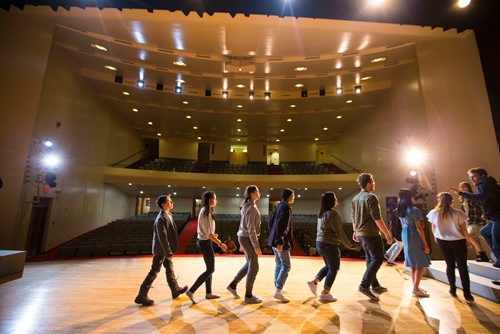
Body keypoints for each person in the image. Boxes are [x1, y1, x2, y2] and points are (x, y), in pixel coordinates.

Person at [134, 195, 188, 306]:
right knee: (154, 271)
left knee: (169, 269)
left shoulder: (168, 215)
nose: (172, 202)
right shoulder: (161, 218)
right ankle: (141, 295)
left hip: (164, 249)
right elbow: (162, 237)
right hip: (161, 250)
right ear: (163, 205)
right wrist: (168, 252)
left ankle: (175, 289)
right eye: (169, 201)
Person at [307, 192, 359, 302]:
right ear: (331, 201)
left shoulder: (322, 213)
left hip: (320, 243)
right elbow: (340, 232)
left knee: (329, 266)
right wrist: (350, 245)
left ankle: (314, 282)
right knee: (334, 269)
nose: (337, 200)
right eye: (335, 198)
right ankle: (325, 293)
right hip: (329, 245)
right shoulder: (332, 214)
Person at [351, 173, 394, 301]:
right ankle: (364, 285)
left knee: (370, 259)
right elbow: (377, 218)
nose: (374, 184)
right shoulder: (371, 197)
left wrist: (355, 231)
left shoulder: (355, 198)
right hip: (371, 234)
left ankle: (374, 285)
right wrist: (387, 234)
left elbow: (354, 217)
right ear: (369, 183)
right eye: (373, 181)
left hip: (361, 234)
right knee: (378, 259)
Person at [427, 192, 474, 302]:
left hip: (443, 241)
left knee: (450, 265)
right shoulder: (458, 213)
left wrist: (436, 237)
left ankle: (452, 289)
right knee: (462, 267)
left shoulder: (433, 213)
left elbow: (433, 228)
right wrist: (468, 240)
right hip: (458, 241)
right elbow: (463, 229)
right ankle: (467, 294)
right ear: (451, 201)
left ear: (439, 200)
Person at [450, 168, 500, 268]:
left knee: (496, 241)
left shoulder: (482, 184)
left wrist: (460, 193)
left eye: (473, 176)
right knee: (484, 232)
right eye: (470, 177)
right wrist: (487, 213)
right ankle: (492, 256)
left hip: (497, 217)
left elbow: (481, 198)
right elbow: (489, 199)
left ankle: (493, 257)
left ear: (482, 176)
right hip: (494, 216)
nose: (471, 179)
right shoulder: (488, 185)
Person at [186, 191, 227, 304]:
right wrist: (220, 243)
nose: (216, 200)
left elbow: (207, 232)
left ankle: (208, 293)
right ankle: (191, 291)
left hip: (204, 241)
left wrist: (213, 237)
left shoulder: (206, 210)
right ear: (210, 200)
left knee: (209, 269)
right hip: (205, 243)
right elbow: (209, 234)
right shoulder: (206, 212)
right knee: (210, 269)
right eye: (215, 198)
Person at [227, 185, 263, 304]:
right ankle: (248, 295)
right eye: (257, 191)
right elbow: (251, 228)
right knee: (254, 267)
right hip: (247, 238)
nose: (259, 192)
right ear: (252, 194)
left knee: (249, 264)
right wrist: (256, 247)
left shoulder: (247, 205)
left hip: (243, 237)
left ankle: (233, 285)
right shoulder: (251, 207)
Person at [397, 188, 431, 297]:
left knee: (412, 263)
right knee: (420, 263)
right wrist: (426, 244)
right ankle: (416, 288)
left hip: (405, 234)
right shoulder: (414, 209)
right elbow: (419, 228)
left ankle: (415, 286)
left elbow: (402, 225)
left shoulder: (399, 210)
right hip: (413, 234)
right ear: (410, 197)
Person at [268, 188, 295, 303]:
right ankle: (278, 290)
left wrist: (274, 237)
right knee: (286, 265)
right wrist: (280, 240)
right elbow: (283, 225)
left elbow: (270, 222)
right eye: (293, 195)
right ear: (289, 196)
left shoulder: (278, 206)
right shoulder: (286, 207)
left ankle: (277, 287)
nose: (294, 197)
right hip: (280, 241)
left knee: (279, 264)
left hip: (274, 239)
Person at [457, 182, 489, 262]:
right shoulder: (463, 199)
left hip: (475, 219)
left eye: (464, 187)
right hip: (468, 220)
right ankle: (479, 255)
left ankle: (482, 254)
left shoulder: (473, 196)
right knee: (475, 238)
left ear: (468, 188)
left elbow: (481, 206)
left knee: (470, 236)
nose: (462, 188)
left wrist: (484, 216)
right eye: (461, 187)